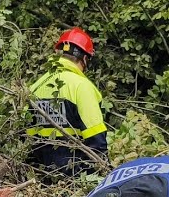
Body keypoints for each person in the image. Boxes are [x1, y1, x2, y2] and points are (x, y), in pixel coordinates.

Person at [26, 27, 108, 177]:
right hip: (75, 178)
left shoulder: (35, 86)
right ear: (84, 58)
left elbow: (26, 139)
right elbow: (97, 142)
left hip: (40, 177)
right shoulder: (81, 86)